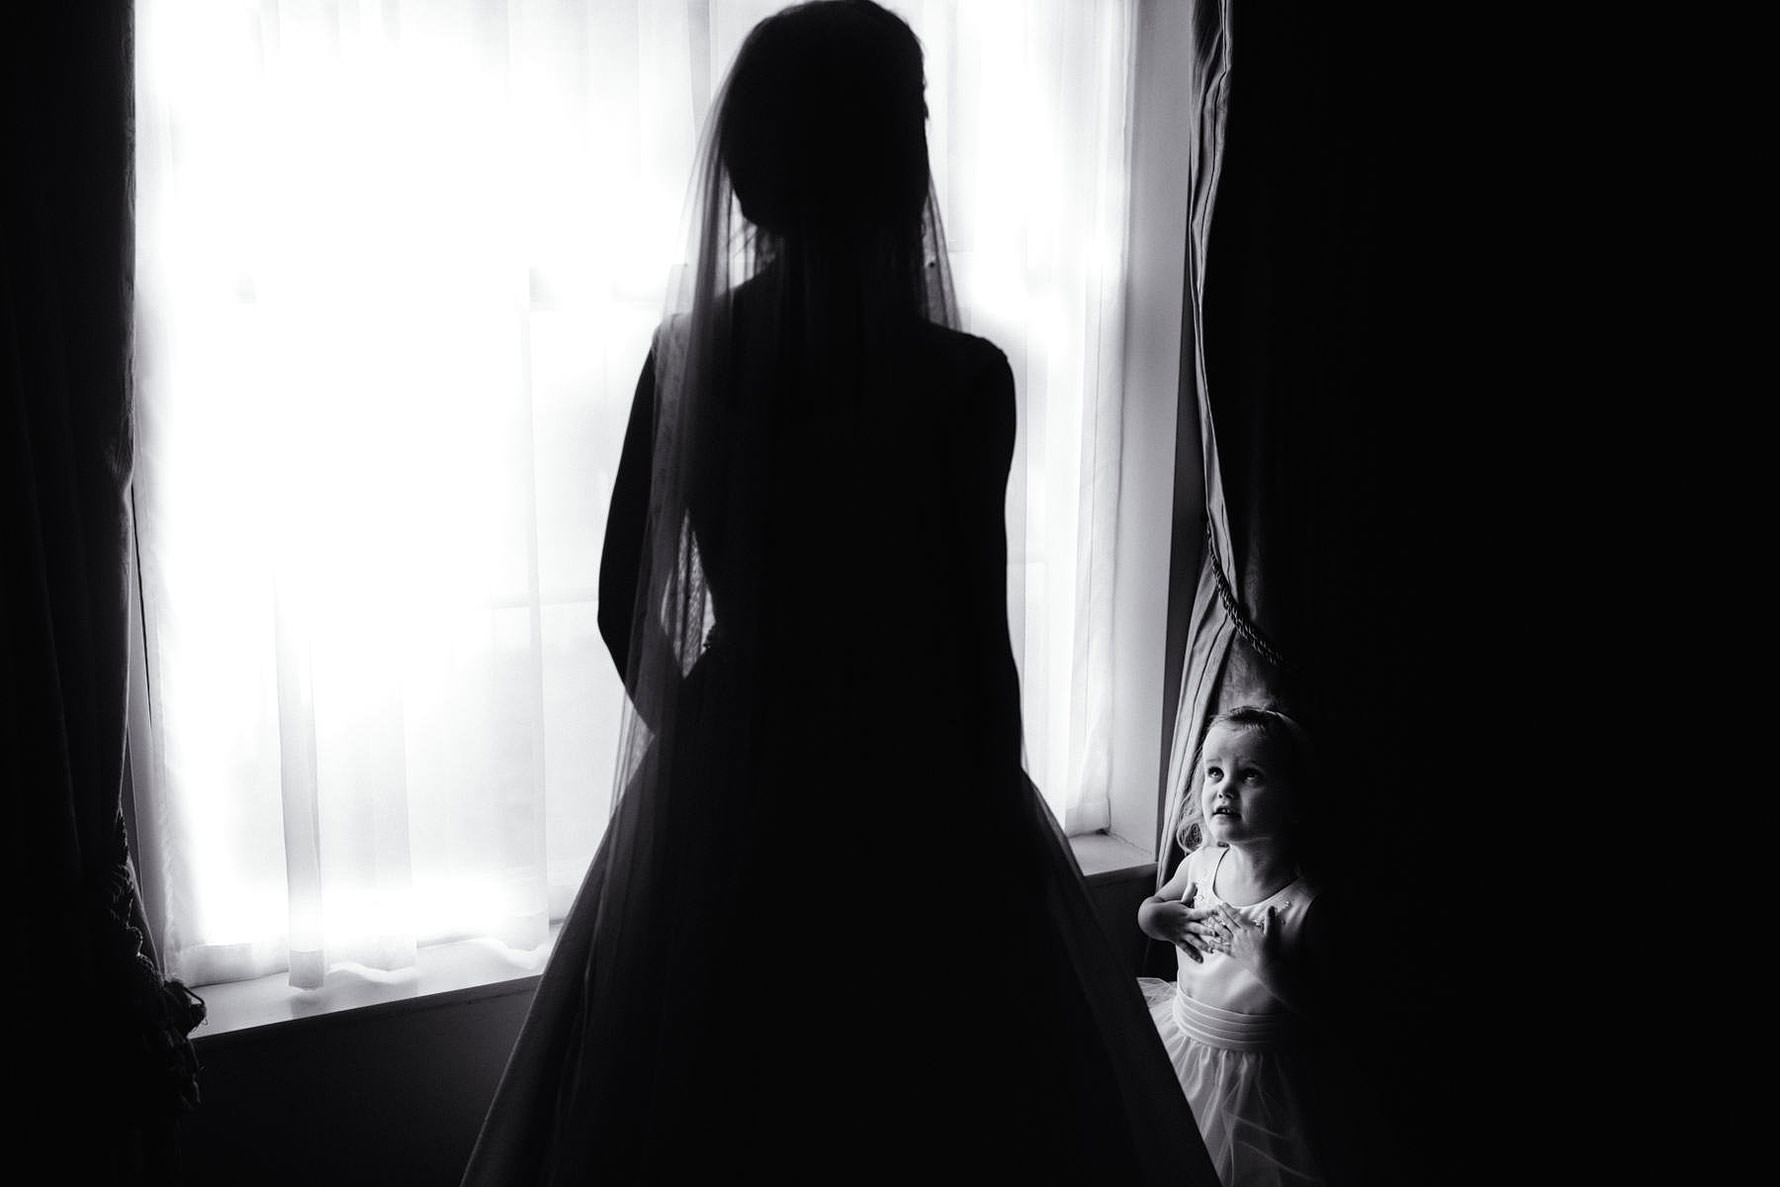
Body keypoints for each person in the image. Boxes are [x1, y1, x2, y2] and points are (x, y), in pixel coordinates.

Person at [461, 3, 1218, 1182]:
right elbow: (977, 642)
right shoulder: (962, 381)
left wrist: (720, 750)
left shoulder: (688, 353)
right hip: (916, 781)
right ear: (889, 159)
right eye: (915, 117)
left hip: (734, 774)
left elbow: (624, 605)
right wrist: (988, 842)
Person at [1137, 705, 1339, 1187]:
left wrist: (1265, 963)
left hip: (1262, 1080)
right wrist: (1155, 918)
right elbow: (1153, 906)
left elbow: (1331, 1011)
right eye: (1214, 772)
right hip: (1185, 1045)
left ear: (1295, 802)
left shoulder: (1307, 905)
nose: (1224, 788)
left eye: (1250, 775)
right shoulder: (1202, 864)